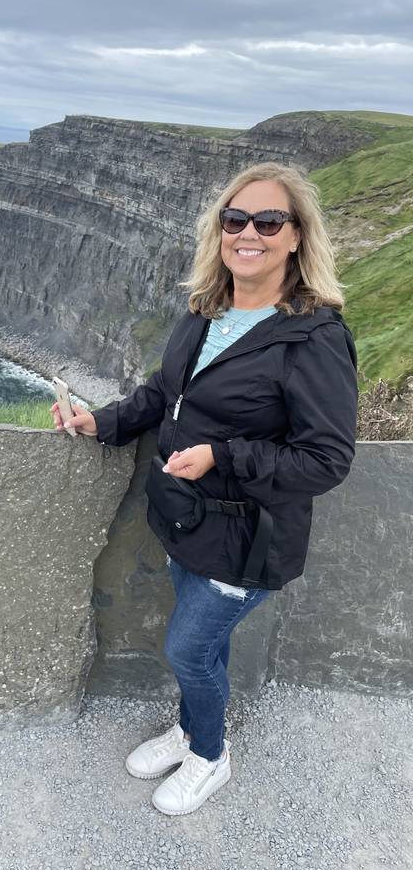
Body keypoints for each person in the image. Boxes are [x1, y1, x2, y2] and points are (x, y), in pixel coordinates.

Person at [50, 161, 358, 817]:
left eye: (269, 221)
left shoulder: (315, 338)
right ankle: (190, 729)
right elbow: (165, 396)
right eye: (235, 219)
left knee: (188, 648)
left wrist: (222, 454)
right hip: (186, 522)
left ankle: (210, 755)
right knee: (203, 645)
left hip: (249, 539)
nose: (250, 233)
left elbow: (327, 459)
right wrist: (98, 422)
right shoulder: (204, 311)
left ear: (298, 236)